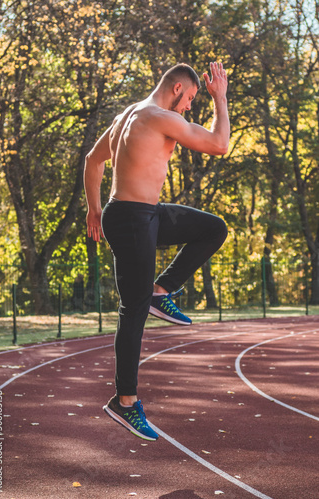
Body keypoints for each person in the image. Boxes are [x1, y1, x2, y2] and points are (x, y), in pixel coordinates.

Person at [84, 62, 229, 441]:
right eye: (192, 99)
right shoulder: (160, 116)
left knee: (213, 228)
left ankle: (161, 291)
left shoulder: (125, 116)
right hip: (133, 218)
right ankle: (125, 402)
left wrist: (95, 209)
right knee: (133, 310)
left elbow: (92, 161)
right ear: (177, 88)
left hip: (141, 214)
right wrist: (221, 99)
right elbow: (219, 145)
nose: (189, 108)